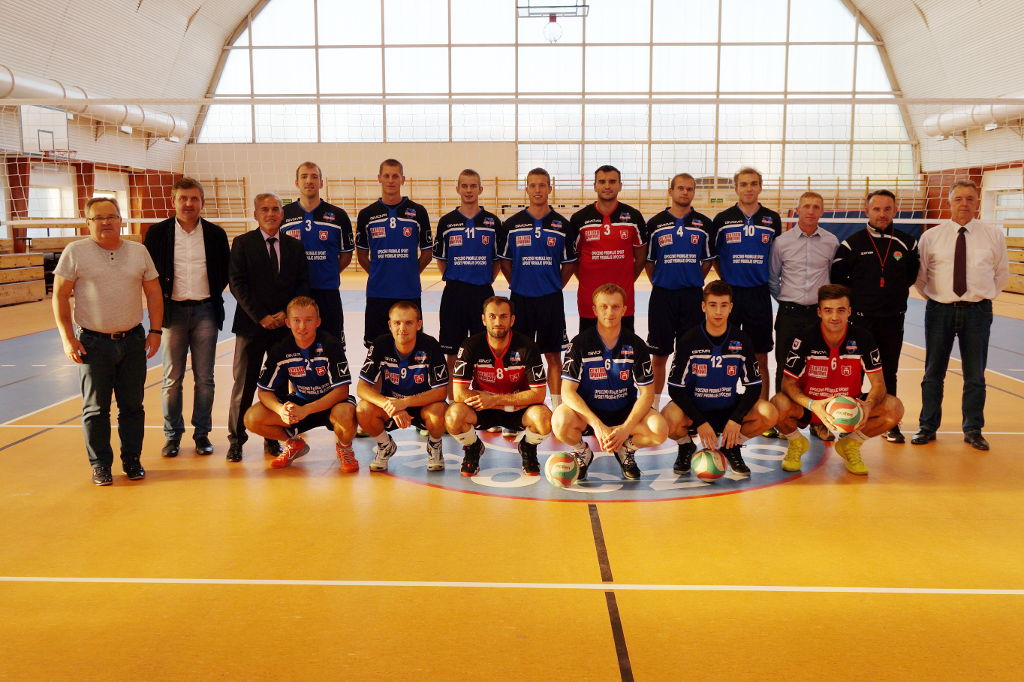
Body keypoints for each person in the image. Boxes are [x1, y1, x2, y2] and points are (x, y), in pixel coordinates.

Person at [52, 197, 164, 485]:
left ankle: (132, 460)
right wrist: (68, 338)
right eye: (98, 218)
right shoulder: (75, 252)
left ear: (121, 220)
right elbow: (60, 295)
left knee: (132, 407)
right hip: (92, 343)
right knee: (95, 409)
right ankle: (100, 465)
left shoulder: (138, 251)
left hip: (132, 342)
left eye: (111, 216)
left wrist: (155, 331)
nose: (106, 222)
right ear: (87, 222)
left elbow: (153, 292)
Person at [912, 180, 1010, 451]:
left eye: (969, 198)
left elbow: (1001, 274)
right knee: (933, 372)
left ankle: (973, 429)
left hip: (977, 311)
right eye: (958, 199)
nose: (964, 203)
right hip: (940, 310)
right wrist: (937, 298)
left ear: (977, 202)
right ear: (949, 202)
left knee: (975, 375)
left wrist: (982, 296)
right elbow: (920, 277)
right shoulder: (931, 236)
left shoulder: (993, 235)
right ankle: (927, 426)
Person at [771, 284, 904, 475]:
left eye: (841, 310)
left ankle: (850, 444)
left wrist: (868, 405)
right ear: (819, 312)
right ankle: (796, 443)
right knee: (777, 404)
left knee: (894, 408)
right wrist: (812, 404)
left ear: (849, 311)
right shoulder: (805, 339)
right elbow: (787, 383)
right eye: (828, 310)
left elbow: (878, 384)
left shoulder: (863, 338)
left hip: (849, 407)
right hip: (811, 407)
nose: (834, 317)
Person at [144, 177, 230, 459]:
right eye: (183, 198)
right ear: (173, 201)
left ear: (202, 202)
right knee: (172, 379)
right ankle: (172, 436)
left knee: (205, 378)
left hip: (206, 311)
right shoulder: (157, 233)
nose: (189, 203)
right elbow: (149, 274)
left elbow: (224, 272)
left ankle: (202, 434)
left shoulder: (216, 234)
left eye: (194, 198)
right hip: (172, 314)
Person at [663, 280, 778, 478]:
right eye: (713, 305)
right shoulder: (689, 340)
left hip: (728, 408)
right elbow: (675, 387)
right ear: (703, 306)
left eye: (724, 305)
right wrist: (700, 422)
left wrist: (736, 419)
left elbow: (753, 386)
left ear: (731, 307)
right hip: (695, 409)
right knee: (667, 419)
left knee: (769, 413)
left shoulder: (741, 340)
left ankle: (732, 446)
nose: (718, 311)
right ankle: (685, 446)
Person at [830, 189, 919, 443]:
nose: (882, 214)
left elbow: (910, 276)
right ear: (867, 210)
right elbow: (838, 280)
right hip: (860, 321)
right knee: (854, 372)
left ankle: (890, 423)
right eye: (877, 209)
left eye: (887, 209)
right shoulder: (851, 244)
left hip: (892, 319)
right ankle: (848, 420)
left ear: (895, 210)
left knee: (888, 371)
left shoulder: (908, 243)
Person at [226, 193, 310, 462]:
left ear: (282, 215)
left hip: (283, 328)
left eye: (275, 209)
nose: (271, 214)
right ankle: (236, 440)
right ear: (256, 215)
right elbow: (237, 284)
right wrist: (261, 316)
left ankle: (273, 438)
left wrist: (286, 314)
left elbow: (302, 284)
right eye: (265, 209)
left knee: (280, 386)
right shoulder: (242, 243)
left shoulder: (294, 246)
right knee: (244, 384)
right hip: (251, 327)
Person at [553, 284, 667, 481]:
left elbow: (647, 393)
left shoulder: (636, 344)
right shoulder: (580, 343)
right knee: (559, 421)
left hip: (623, 412)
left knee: (659, 429)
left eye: (615, 307)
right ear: (594, 310)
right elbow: (567, 392)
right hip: (589, 414)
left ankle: (626, 449)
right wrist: (597, 425)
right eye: (604, 306)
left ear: (624, 310)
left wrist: (626, 429)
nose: (610, 312)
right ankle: (582, 451)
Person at [243, 297, 357, 470]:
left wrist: (307, 409)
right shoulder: (281, 350)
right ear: (288, 323)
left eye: (308, 320)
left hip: (331, 403)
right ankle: (293, 443)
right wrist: (280, 409)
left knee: (346, 413)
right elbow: (264, 391)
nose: (302, 326)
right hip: (300, 403)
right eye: (296, 320)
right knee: (252, 418)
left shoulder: (330, 345)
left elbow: (342, 391)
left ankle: (344, 448)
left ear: (318, 322)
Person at [445, 296, 552, 477]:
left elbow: (538, 394)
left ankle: (528, 447)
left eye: (503, 316)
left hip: (516, 409)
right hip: (483, 408)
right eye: (492, 316)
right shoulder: (471, 346)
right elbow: (459, 394)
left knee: (545, 419)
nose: (498, 322)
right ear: (483, 319)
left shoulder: (528, 346)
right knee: (453, 416)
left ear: (512, 320)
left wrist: (494, 400)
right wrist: (491, 402)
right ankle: (473, 447)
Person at [498, 167, 576, 410]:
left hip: (550, 300)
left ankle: (557, 407)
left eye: (542, 185)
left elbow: (569, 264)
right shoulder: (512, 224)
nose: (538, 190)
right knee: (518, 356)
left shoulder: (562, 225)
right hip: (520, 299)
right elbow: (505, 262)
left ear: (550, 188)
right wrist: (517, 283)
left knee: (553, 355)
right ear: (527, 189)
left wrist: (555, 285)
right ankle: (519, 406)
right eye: (533, 185)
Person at [768, 191, 838, 438]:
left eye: (816, 207)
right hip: (789, 314)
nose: (811, 211)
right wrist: (788, 301)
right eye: (806, 206)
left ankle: (819, 421)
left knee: (818, 369)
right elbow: (773, 278)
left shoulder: (831, 242)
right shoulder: (781, 242)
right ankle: (783, 420)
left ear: (822, 211)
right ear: (797, 210)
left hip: (818, 317)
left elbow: (832, 279)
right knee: (785, 367)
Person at [710, 167, 782, 400]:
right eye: (744, 184)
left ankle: (762, 406)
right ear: (736, 188)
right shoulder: (722, 219)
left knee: (760, 354)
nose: (749, 189)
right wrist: (727, 279)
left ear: (760, 187)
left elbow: (776, 254)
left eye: (753, 184)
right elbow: (715, 256)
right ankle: (723, 401)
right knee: (724, 352)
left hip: (759, 295)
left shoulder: (772, 219)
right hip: (730, 295)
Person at [645, 172, 714, 406]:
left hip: (692, 297)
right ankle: (653, 405)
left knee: (692, 355)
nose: (685, 192)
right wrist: (661, 281)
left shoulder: (704, 224)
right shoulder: (655, 224)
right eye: (681, 188)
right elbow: (649, 261)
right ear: (671, 191)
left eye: (689, 189)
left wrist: (693, 279)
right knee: (659, 355)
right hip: (662, 297)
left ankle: (690, 404)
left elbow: (707, 261)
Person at [356, 301, 449, 472]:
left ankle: (434, 445)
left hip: (423, 405)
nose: (402, 328)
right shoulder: (380, 344)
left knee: (439, 411)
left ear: (418, 325)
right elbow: (361, 388)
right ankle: (385, 445)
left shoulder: (430, 345)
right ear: (390, 325)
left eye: (408, 323)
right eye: (397, 323)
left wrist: (404, 403)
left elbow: (441, 392)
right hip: (392, 405)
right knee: (362, 409)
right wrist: (389, 404)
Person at [433, 169, 502, 394]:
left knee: (485, 349)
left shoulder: (492, 222)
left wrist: (485, 280)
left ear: (480, 189)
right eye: (465, 186)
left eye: (473, 186)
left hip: (483, 293)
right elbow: (441, 260)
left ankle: (484, 397)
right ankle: (453, 401)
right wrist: (457, 278)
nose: (469, 190)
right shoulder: (447, 222)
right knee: (452, 351)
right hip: (454, 293)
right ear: (458, 189)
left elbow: (497, 260)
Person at [356, 159, 432, 347]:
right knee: (376, 347)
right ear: (379, 178)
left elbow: (427, 252)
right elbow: (362, 255)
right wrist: (377, 273)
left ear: (402, 179)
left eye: (395, 176)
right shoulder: (366, 214)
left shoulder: (418, 212)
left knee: (411, 345)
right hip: (378, 292)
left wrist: (410, 272)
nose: (391, 180)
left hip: (408, 291)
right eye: (387, 176)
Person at [281, 161, 354, 349]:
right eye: (304, 176)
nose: (309, 181)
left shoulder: (338, 215)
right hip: (294, 294)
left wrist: (329, 271)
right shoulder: (283, 215)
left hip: (327, 293)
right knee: (297, 349)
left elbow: (346, 255)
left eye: (314, 176)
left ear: (321, 182)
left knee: (333, 346)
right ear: (296, 182)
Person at [569, 165, 647, 333]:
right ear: (595, 186)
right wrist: (586, 279)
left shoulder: (633, 217)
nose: (607, 186)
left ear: (620, 185)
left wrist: (627, 279)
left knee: (624, 347)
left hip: (623, 300)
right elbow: (573, 259)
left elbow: (641, 257)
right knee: (589, 347)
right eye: (602, 182)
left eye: (612, 181)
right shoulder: (579, 219)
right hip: (589, 300)